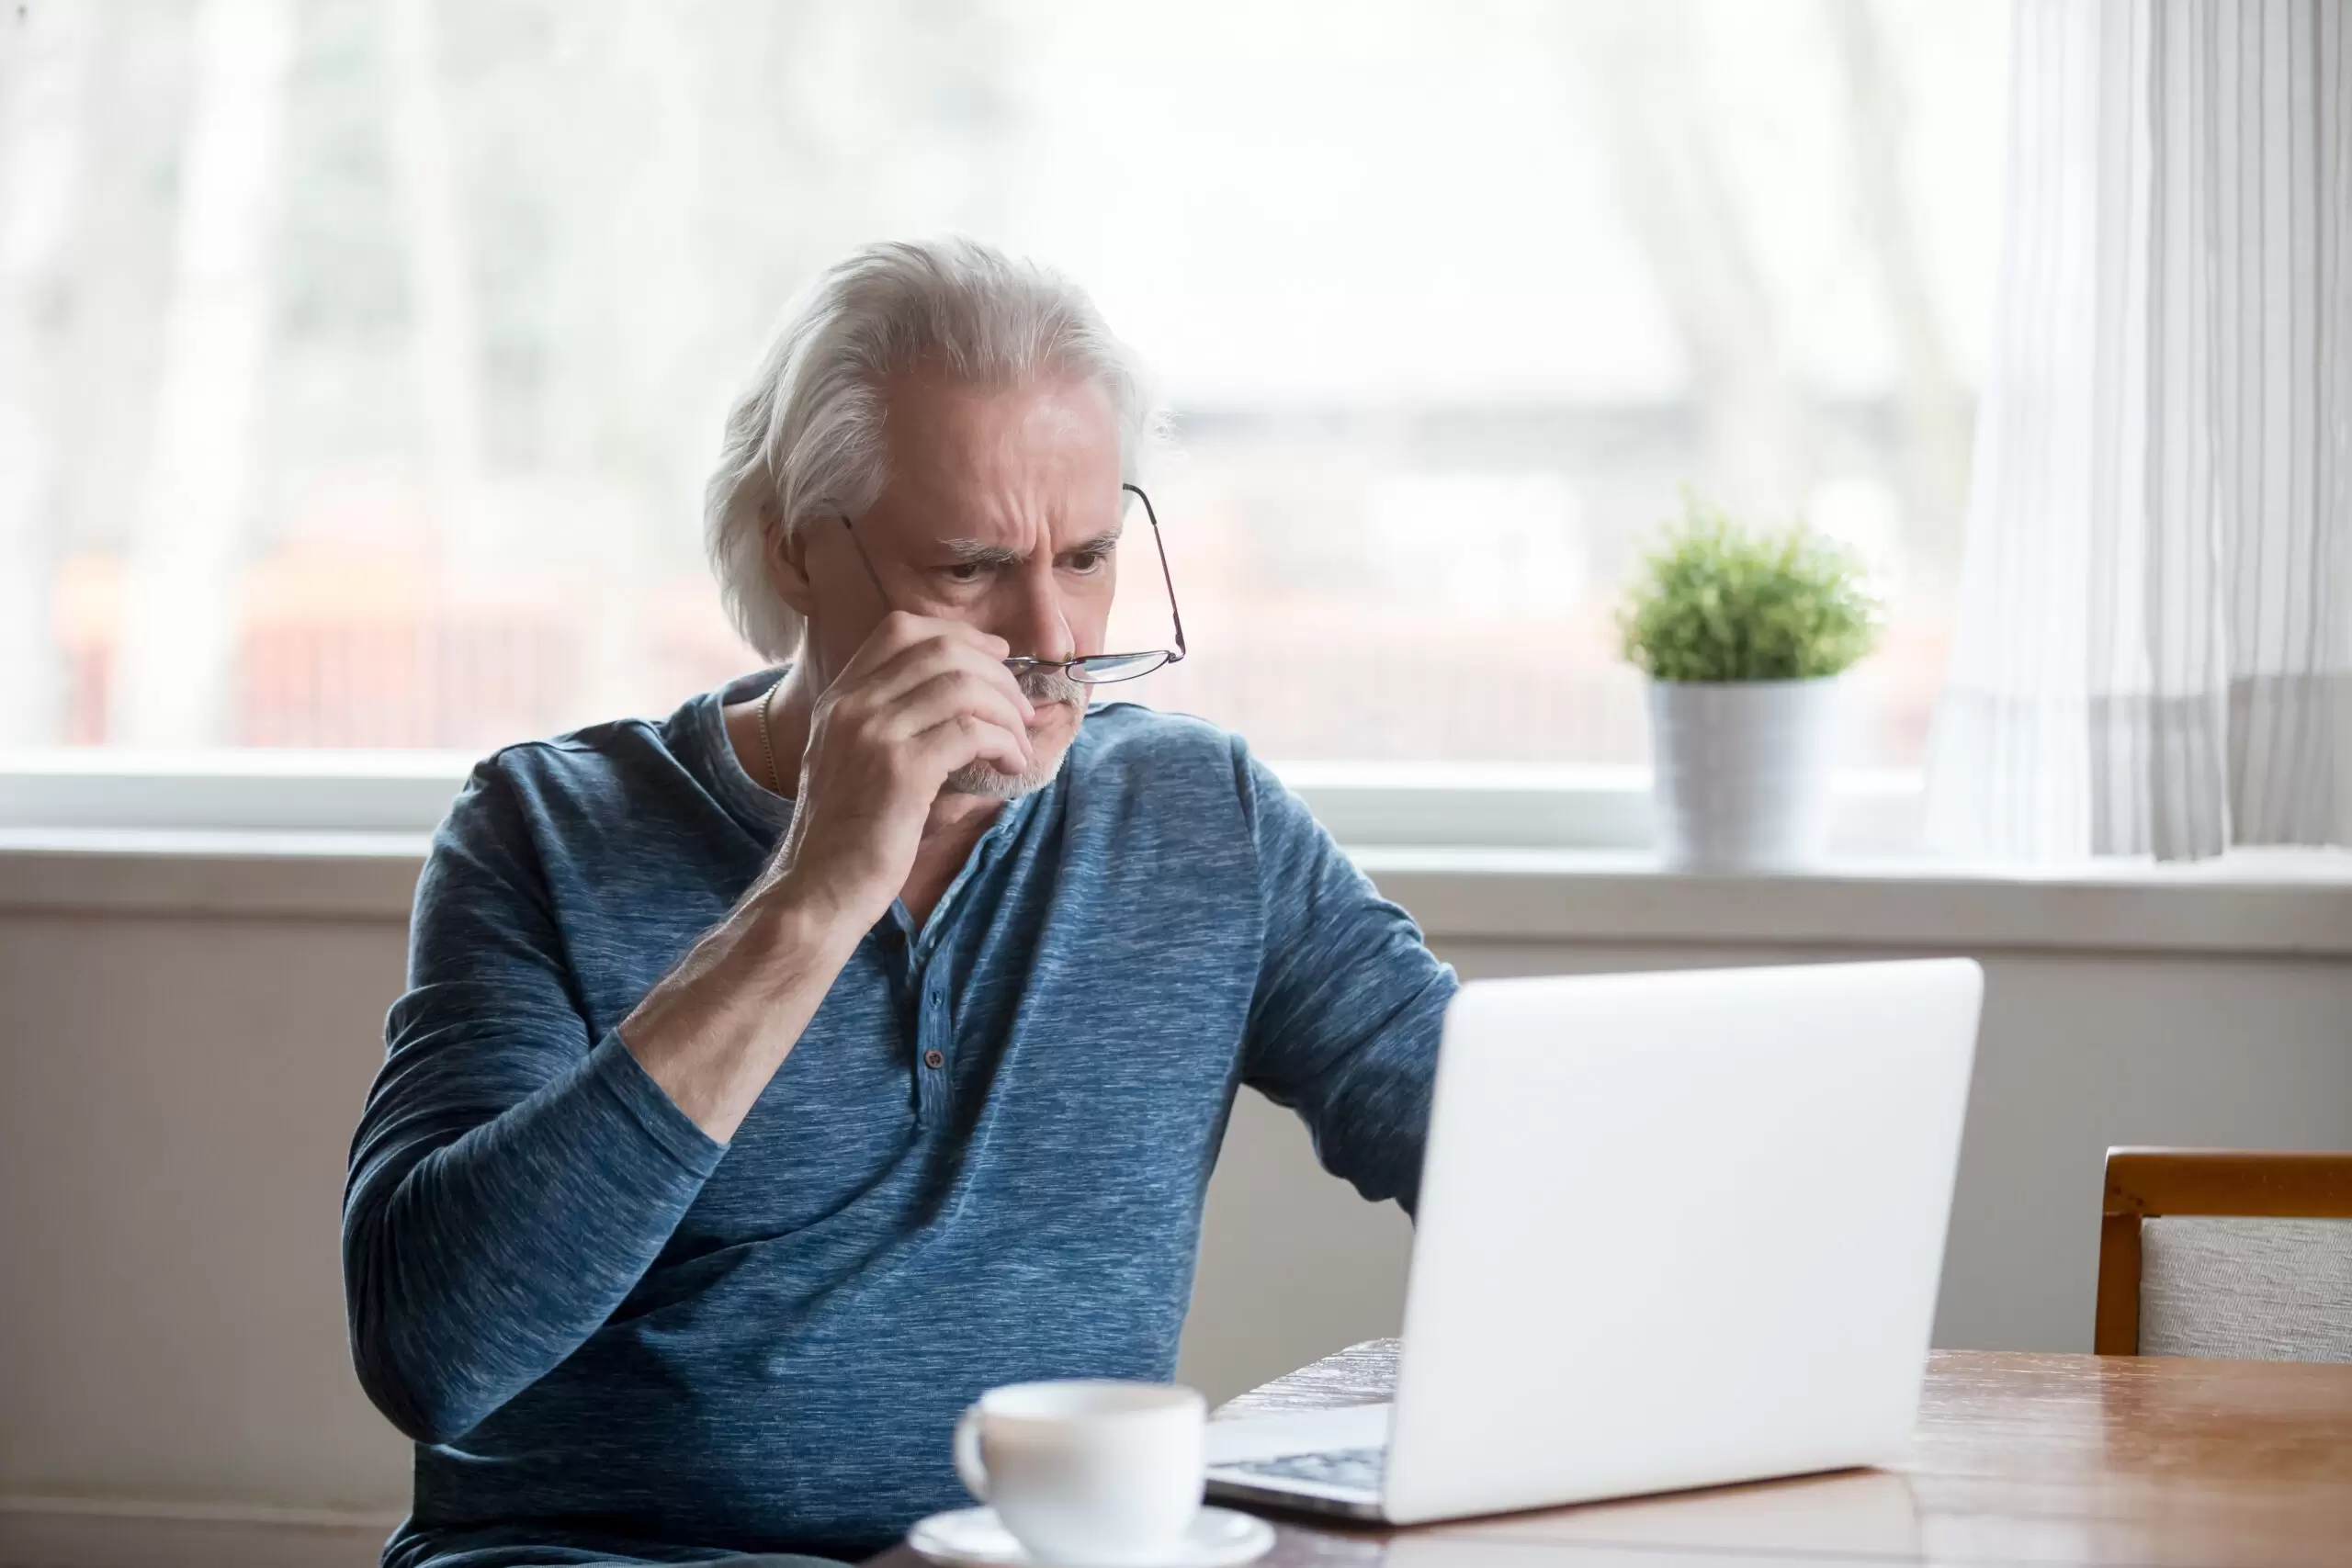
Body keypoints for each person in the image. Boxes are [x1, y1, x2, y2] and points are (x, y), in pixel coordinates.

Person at [342, 236, 1456, 1568]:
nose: (1052, 641)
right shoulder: (543, 829)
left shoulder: (1198, 819)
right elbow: (433, 1348)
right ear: (795, 548)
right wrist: (814, 893)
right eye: (973, 565)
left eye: (1089, 554)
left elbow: (1501, 1148)